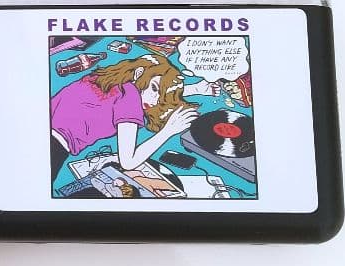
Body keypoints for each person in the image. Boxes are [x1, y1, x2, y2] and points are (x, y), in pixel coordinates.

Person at [50, 53, 219, 178]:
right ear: (138, 73)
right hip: (54, 149)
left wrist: (195, 89)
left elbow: (156, 90)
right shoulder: (130, 97)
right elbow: (128, 162)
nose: (154, 101)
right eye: (154, 89)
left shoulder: (109, 77)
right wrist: (168, 131)